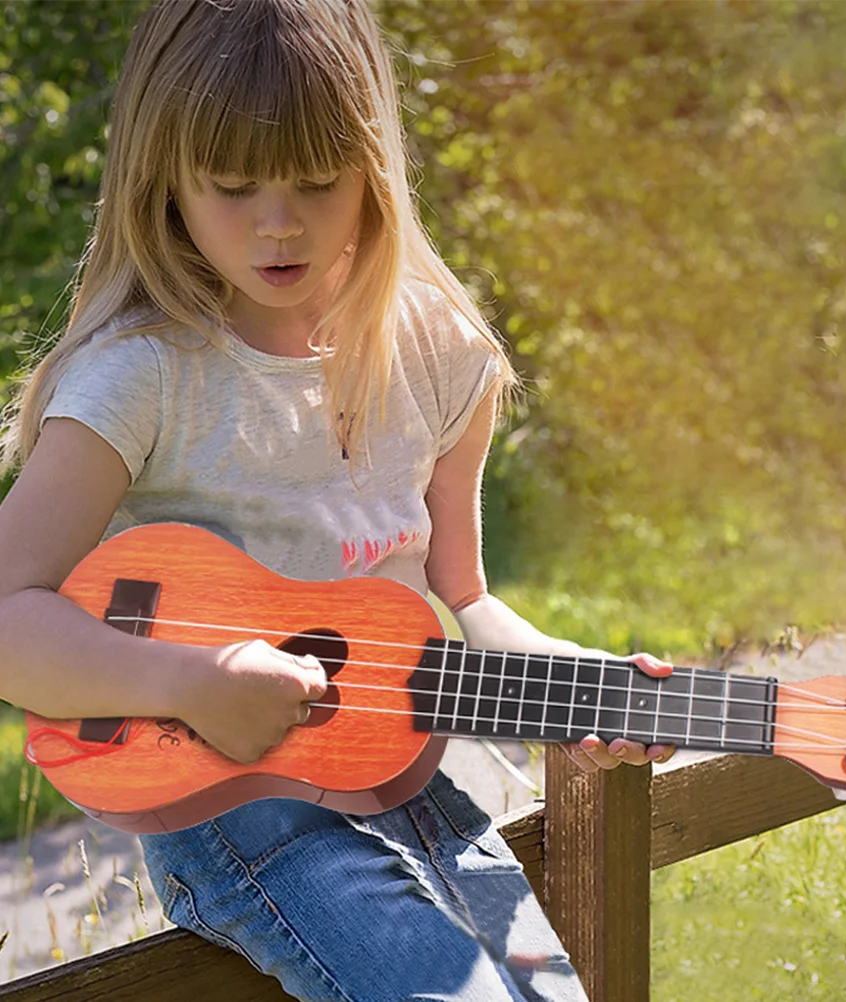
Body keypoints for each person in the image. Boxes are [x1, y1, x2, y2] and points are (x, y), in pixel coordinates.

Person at [0, 2, 673, 999]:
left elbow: (465, 598)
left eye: (318, 181)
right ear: (165, 180)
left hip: (426, 788)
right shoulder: (141, 378)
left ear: (375, 170)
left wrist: (576, 681)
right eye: (233, 186)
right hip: (247, 820)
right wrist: (188, 682)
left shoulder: (440, 355)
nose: (280, 222)